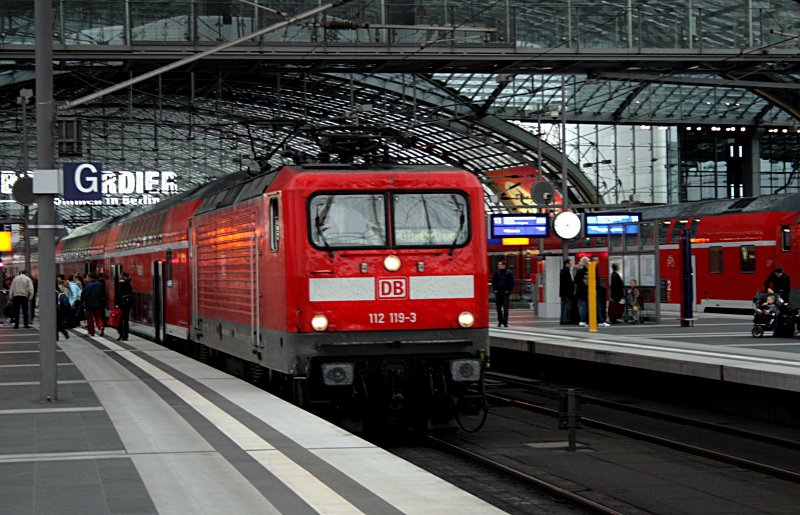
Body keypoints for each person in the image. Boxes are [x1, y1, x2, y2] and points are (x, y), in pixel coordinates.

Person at [491, 260, 514, 327]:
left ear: (504, 265)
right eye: (498, 264)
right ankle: (500, 321)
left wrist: (508, 290)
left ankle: (505, 322)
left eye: (500, 264)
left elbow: (512, 282)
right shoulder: (496, 273)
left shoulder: (509, 273)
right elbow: (494, 281)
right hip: (498, 292)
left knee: (505, 308)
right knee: (498, 308)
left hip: (505, 292)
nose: (499, 266)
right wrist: (495, 289)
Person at [592, 257, 610, 327]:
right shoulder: (594, 268)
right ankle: (600, 320)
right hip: (596, 289)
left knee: (597, 306)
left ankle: (598, 320)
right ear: (593, 261)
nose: (598, 261)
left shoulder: (594, 268)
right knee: (599, 305)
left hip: (595, 289)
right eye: (597, 260)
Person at [116, 272, 133, 341]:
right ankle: (125, 335)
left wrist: (117, 304)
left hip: (121, 304)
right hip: (127, 304)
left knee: (120, 320)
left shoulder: (120, 284)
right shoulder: (128, 284)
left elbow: (118, 295)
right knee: (126, 320)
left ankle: (121, 334)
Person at [574, 257, 590, 327]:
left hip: (580, 291)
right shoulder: (591, 270)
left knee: (581, 306)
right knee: (587, 306)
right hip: (588, 291)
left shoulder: (579, 271)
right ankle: (587, 320)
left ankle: (582, 320)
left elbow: (575, 281)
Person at [559, 258, 574, 325]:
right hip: (567, 292)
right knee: (567, 307)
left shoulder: (563, 271)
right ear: (567, 263)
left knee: (563, 307)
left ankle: (562, 320)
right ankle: (566, 320)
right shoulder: (566, 271)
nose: (571, 264)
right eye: (570, 263)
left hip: (563, 292)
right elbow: (568, 283)